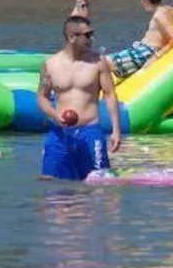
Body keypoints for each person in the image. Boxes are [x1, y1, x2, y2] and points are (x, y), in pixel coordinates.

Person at [37, 15, 122, 181]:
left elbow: (110, 95)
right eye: (87, 35)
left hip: (90, 131)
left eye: (92, 34)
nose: (92, 39)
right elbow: (42, 98)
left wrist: (116, 130)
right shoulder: (50, 65)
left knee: (100, 182)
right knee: (49, 182)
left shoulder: (98, 62)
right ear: (71, 37)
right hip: (60, 133)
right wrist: (55, 115)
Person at [108, 0, 173, 78]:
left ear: (146, 0)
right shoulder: (171, 10)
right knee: (104, 62)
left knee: (103, 63)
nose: (141, 3)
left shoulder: (159, 15)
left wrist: (156, 57)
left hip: (145, 52)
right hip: (141, 49)